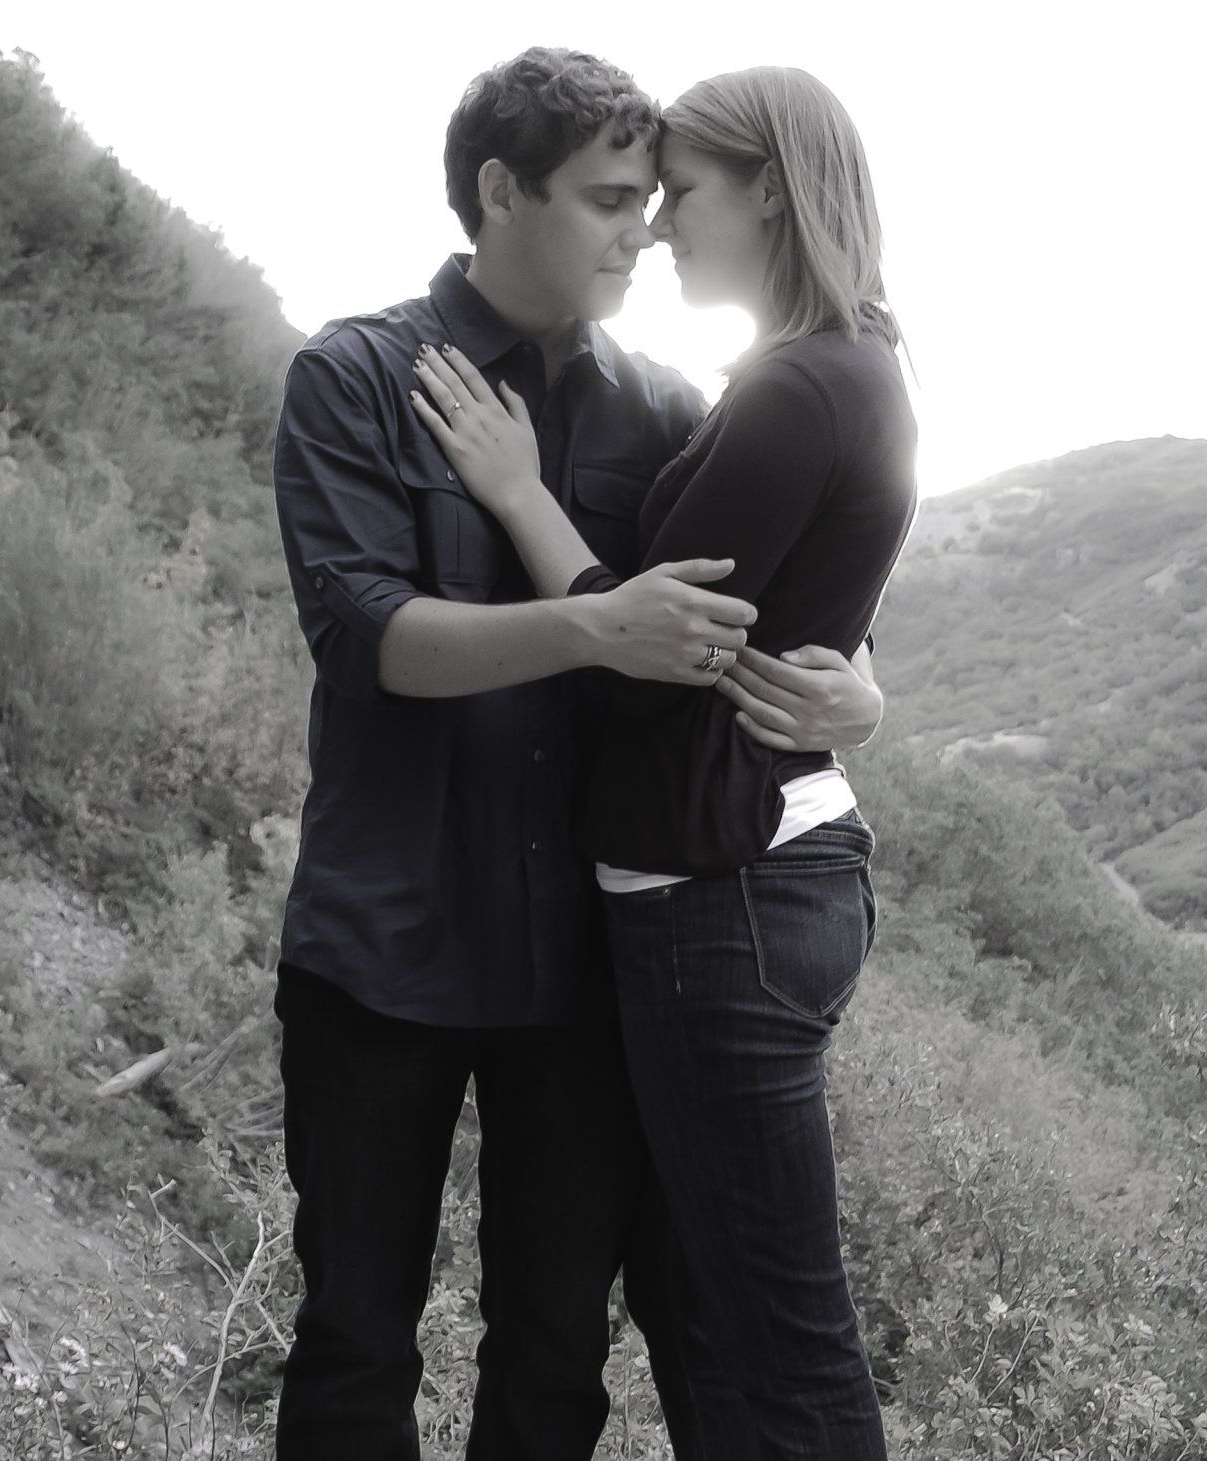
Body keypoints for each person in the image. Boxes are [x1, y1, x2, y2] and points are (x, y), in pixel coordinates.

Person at [269, 47, 886, 1461]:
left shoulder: (669, 405)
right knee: (356, 1339)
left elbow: (808, 604)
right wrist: (597, 623)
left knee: (552, 1357)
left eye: (656, 197)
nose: (646, 229)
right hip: (385, 942)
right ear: (501, 189)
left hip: (588, 973)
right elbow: (371, 638)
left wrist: (865, 700)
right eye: (613, 199)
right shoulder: (356, 374)